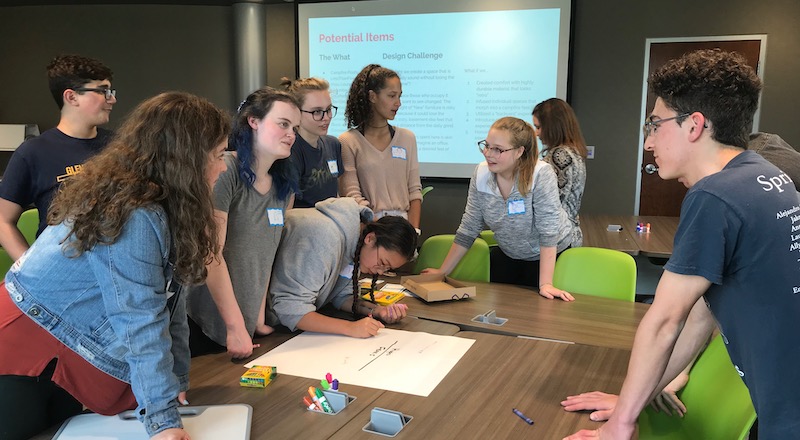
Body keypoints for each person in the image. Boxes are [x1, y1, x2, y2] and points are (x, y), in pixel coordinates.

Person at [564, 49, 800, 440]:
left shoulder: (716, 196)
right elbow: (702, 313)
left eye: (655, 125)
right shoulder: (765, 175)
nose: (649, 142)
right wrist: (631, 401)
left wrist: (620, 425)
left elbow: (663, 322)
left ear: (694, 125)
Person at [0, 91, 230, 440]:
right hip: (24, 346)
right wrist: (162, 418)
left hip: (64, 341)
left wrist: (176, 383)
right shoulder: (135, 212)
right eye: (218, 155)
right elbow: (139, 317)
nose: (224, 166)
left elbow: (172, 302)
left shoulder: (168, 206)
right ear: (187, 159)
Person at [187, 87, 300, 359]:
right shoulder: (225, 171)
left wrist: (257, 317)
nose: (291, 134)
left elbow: (266, 254)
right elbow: (210, 254)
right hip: (206, 326)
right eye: (283, 124)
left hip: (246, 328)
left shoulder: (283, 187)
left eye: (295, 127)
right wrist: (235, 326)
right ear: (254, 121)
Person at [422, 117, 579, 300]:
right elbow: (469, 227)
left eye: (498, 149)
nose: (488, 154)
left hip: (550, 256)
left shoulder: (540, 174)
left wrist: (545, 284)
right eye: (487, 146)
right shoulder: (481, 174)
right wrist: (442, 272)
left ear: (520, 151)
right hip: (510, 254)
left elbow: (549, 231)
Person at [0, 54, 115, 261]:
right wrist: (30, 268)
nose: (112, 99)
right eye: (102, 91)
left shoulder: (119, 146)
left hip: (112, 267)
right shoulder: (33, 152)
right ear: (71, 97)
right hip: (62, 269)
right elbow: (2, 220)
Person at [267, 197, 416, 337]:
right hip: (265, 325)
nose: (379, 271)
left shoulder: (356, 244)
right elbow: (291, 309)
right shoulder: (323, 236)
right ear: (370, 238)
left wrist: (378, 311)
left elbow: (341, 296)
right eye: (382, 263)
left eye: (387, 269)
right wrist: (350, 328)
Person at [339, 64, 422, 232]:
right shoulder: (348, 141)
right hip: (368, 229)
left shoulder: (407, 138)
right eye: (392, 96)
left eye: (400, 96)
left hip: (403, 230)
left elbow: (415, 192)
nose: (398, 103)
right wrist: (381, 229)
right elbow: (352, 196)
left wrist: (412, 233)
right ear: (372, 96)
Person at [532, 98, 588, 245]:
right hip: (568, 234)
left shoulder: (560, 156)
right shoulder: (573, 151)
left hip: (558, 239)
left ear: (552, 126)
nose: (536, 133)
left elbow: (551, 202)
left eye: (538, 127)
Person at [281, 76, 343, 208]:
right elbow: (288, 213)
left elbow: (336, 196)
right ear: (296, 113)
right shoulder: (290, 151)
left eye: (329, 109)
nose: (326, 118)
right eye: (317, 112)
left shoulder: (333, 144)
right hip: (304, 226)